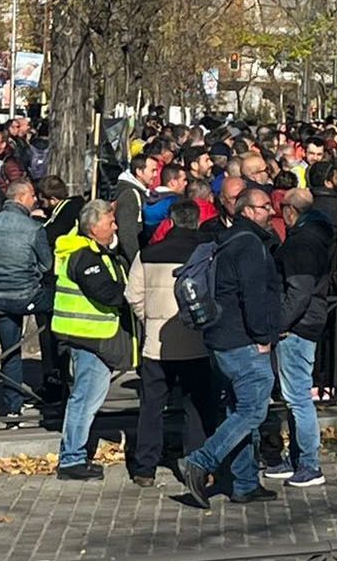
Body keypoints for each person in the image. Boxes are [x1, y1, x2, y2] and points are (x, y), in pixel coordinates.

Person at [179, 185, 283, 507]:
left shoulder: (229, 240)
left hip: (222, 339)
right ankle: (201, 462)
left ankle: (245, 483)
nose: (271, 212)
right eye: (265, 207)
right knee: (253, 411)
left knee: (238, 412)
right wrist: (263, 337)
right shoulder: (249, 244)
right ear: (247, 211)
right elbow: (254, 296)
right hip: (244, 342)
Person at [125, 201, 217, 486]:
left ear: (171, 221)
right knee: (197, 406)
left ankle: (145, 467)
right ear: (197, 221)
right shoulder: (205, 253)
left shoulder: (148, 253)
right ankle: (196, 464)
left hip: (156, 342)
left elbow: (132, 294)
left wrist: (148, 318)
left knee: (152, 406)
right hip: (196, 341)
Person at [51, 199, 134, 480]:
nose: (115, 227)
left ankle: (74, 455)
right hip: (90, 337)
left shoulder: (93, 250)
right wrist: (130, 293)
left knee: (86, 398)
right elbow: (107, 293)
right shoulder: (84, 255)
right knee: (85, 400)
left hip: (91, 335)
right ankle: (72, 459)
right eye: (110, 223)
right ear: (94, 227)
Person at [263, 187, 333, 488]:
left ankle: (309, 464)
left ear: (292, 210)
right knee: (294, 396)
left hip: (299, 325)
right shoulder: (317, 234)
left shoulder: (302, 243)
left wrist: (280, 322)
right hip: (307, 320)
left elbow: (299, 291)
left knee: (297, 398)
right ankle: (297, 460)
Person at [0, 177, 52, 424]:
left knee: (9, 350)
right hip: (26, 295)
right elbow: (47, 264)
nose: (35, 199)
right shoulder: (34, 228)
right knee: (56, 319)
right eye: (32, 195)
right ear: (21, 197)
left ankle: (13, 407)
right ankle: (57, 383)